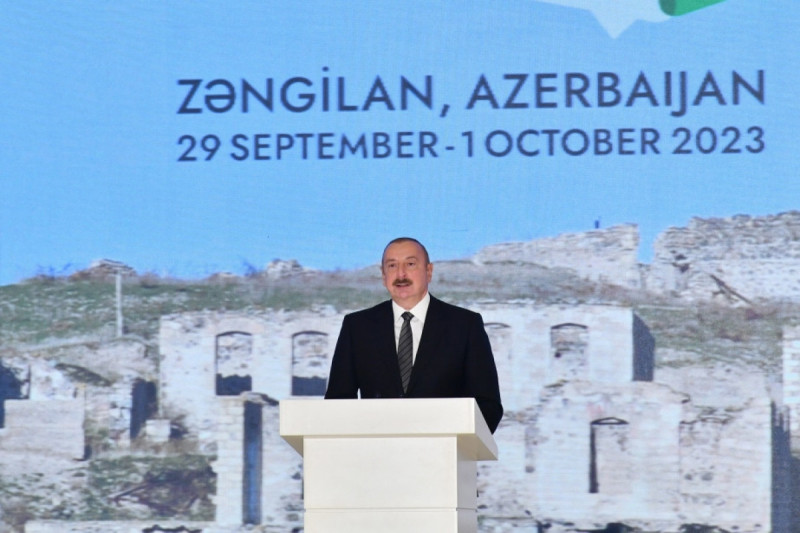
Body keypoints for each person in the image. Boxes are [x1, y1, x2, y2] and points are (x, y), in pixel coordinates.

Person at [324, 237, 503, 433]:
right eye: (392, 266)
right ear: (383, 275)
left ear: (429, 271)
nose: (401, 274)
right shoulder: (357, 327)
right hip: (375, 449)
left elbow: (488, 406)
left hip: (444, 449)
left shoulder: (465, 325)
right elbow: (337, 403)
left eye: (410, 264)